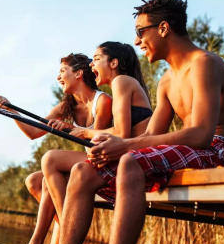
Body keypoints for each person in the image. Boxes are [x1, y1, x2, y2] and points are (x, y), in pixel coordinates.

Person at [39, 0, 224, 244]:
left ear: (164, 28)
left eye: (140, 32)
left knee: (130, 160)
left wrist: (126, 147)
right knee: (83, 171)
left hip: (218, 148)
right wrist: (108, 146)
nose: (136, 41)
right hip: (187, 150)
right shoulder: (168, 79)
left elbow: (201, 134)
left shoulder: (204, 63)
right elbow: (150, 137)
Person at [0, 53, 113, 244]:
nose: (58, 77)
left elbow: (98, 141)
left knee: (51, 159)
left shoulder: (102, 101)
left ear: (79, 74)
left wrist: (72, 128)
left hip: (103, 159)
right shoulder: (67, 107)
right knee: (36, 181)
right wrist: (10, 109)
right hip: (88, 160)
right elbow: (33, 132)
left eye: (62, 71)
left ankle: (60, 230)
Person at [42, 41, 152, 231]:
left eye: (96, 59)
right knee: (41, 181)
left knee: (50, 159)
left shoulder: (121, 82)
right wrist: (11, 111)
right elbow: (119, 134)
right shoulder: (122, 85)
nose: (91, 65)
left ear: (114, 63)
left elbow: (121, 133)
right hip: (126, 157)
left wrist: (83, 131)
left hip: (132, 161)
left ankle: (66, 228)